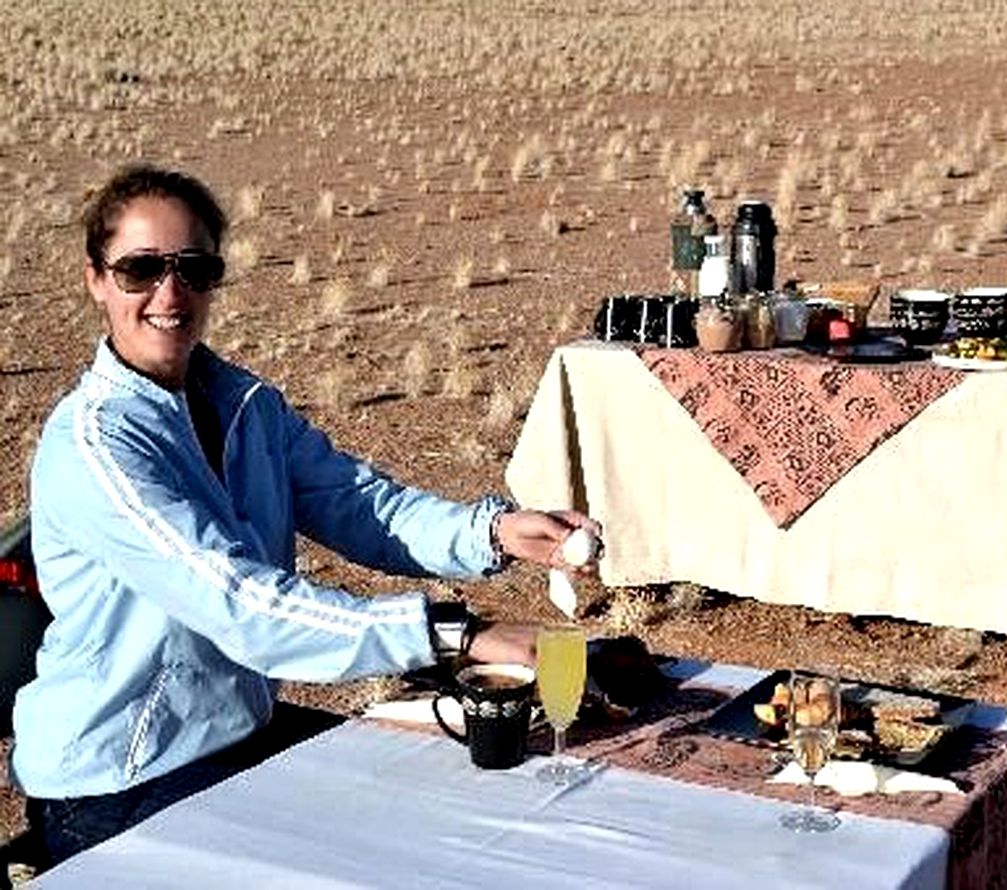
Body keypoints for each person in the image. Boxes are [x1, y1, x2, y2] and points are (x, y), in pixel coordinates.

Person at [8, 164, 601, 866]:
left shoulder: (241, 405)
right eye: (140, 270)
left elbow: (359, 506)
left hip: (234, 737)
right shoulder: (96, 447)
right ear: (96, 280)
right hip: (120, 782)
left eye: (193, 268)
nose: (170, 294)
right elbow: (240, 604)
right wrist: (454, 635)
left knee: (464, 817)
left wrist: (493, 531)